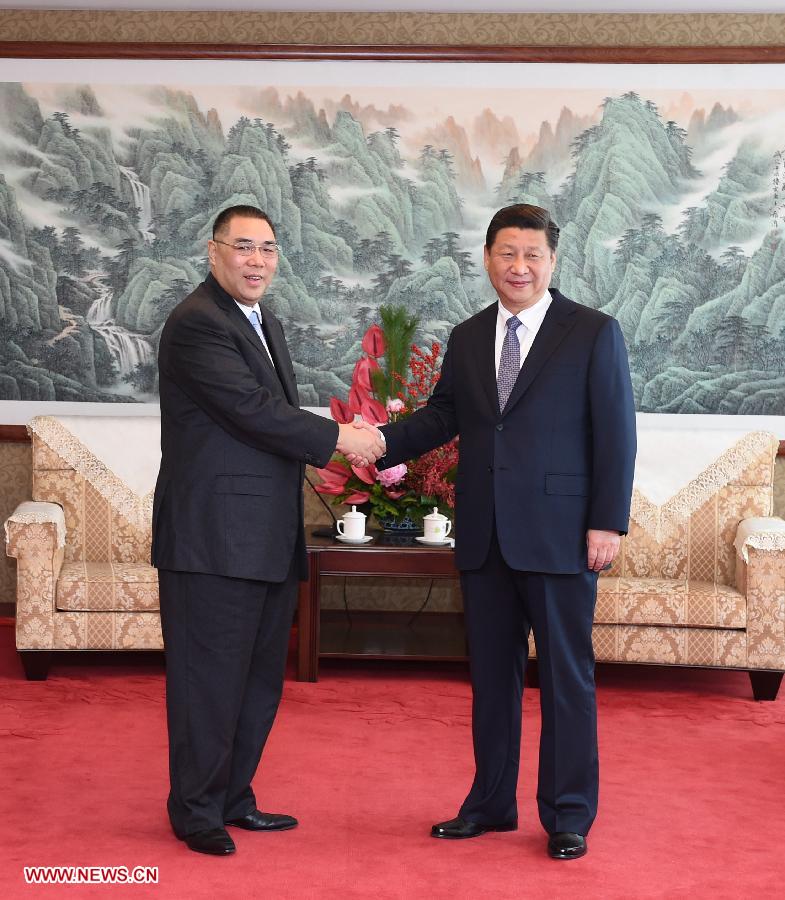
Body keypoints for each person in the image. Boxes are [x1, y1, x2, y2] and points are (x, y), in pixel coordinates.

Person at [375, 204, 636, 860]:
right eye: (506, 254)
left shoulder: (592, 332)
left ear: (551, 262)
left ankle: (568, 814)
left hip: (562, 536)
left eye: (532, 256)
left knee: (564, 681)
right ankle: (489, 803)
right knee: (491, 681)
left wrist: (606, 522)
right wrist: (371, 442)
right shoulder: (466, 337)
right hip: (486, 536)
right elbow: (440, 418)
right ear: (487, 258)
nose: (519, 267)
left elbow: (616, 433)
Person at [152, 204, 384, 856]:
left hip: (263, 535)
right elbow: (252, 412)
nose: (257, 261)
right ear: (214, 251)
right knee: (209, 682)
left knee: (255, 681)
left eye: (268, 249)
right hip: (213, 539)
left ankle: (233, 797)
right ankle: (194, 811)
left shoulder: (261, 320)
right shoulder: (197, 324)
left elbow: (270, 416)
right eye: (243, 247)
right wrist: (343, 438)